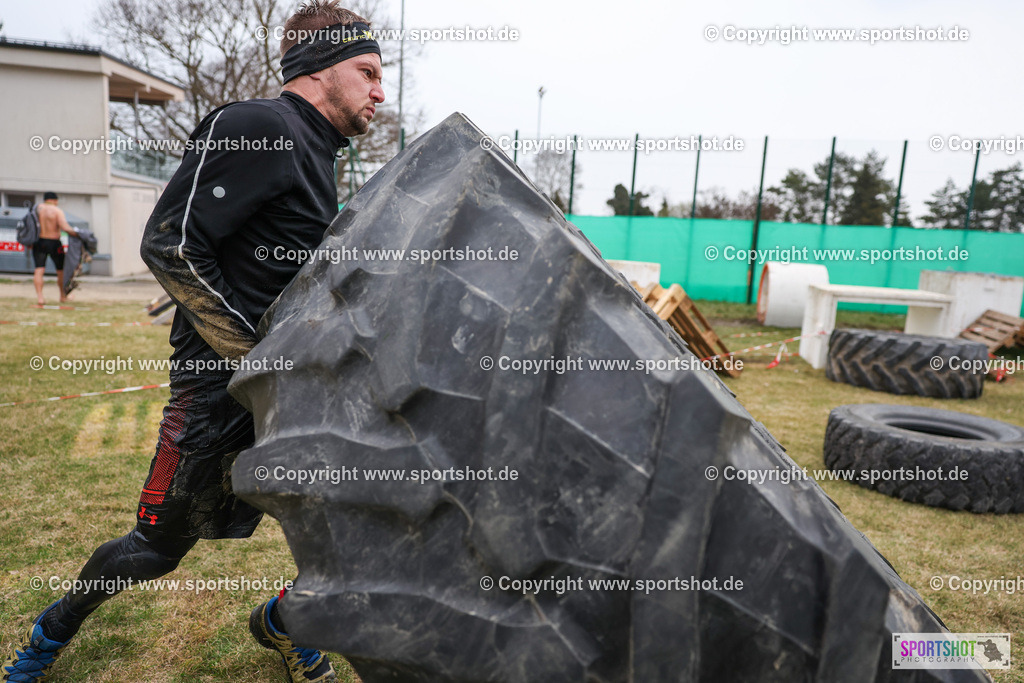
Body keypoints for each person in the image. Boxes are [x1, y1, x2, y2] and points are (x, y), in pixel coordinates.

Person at [2, 3, 384, 682]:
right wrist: (254, 364)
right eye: (368, 72)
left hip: (294, 392)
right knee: (155, 548)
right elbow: (170, 244)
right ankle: (48, 634)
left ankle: (281, 623)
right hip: (219, 393)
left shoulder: (321, 157)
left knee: (351, 533)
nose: (380, 92)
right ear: (322, 67)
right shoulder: (260, 126)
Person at [31, 192, 80, 306]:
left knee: (39, 270)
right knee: (61, 270)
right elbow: (64, 227)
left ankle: (40, 298)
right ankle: (63, 296)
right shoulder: (57, 211)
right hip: (54, 243)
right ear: (54, 200)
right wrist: (78, 234)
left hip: (39, 242)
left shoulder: (36, 209)